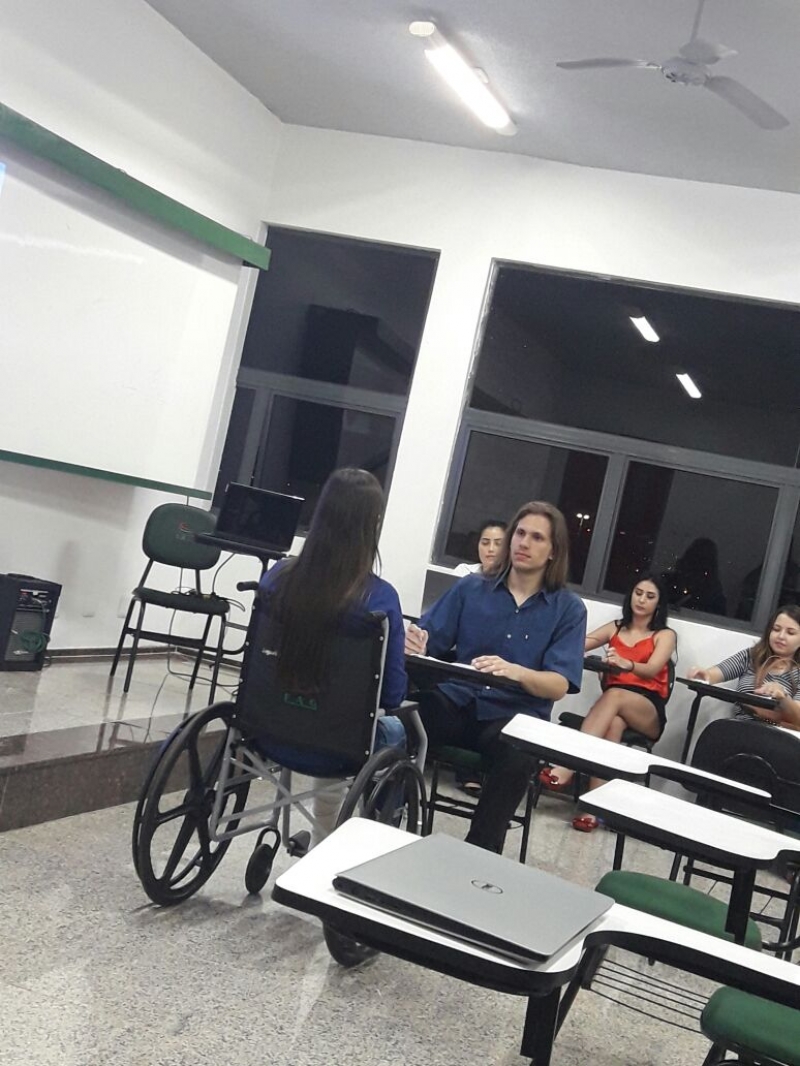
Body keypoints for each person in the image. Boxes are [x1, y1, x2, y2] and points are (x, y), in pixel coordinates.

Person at [405, 500, 587, 854]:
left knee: (519, 754)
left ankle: (477, 855)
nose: (524, 543)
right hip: (457, 701)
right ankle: (385, 822)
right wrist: (417, 642)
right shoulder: (471, 587)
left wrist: (518, 672)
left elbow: (559, 685)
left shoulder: (568, 609)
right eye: (520, 533)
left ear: (554, 551)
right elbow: (429, 640)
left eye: (537, 537)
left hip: (513, 715)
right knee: (406, 717)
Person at [257, 467, 407, 845]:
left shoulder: (275, 579)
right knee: (396, 730)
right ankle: (351, 841)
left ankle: (323, 836)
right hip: (335, 744)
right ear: (372, 524)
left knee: (327, 717)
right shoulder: (380, 600)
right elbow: (390, 694)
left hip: (265, 727)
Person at [541, 573, 677, 832]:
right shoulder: (615, 628)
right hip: (614, 705)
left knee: (614, 695)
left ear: (659, 603)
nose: (642, 600)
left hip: (648, 708)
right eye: (638, 593)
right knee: (613, 724)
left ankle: (570, 763)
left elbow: (652, 669)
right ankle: (592, 810)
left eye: (650, 596)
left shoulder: (664, 635)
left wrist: (627, 664)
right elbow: (577, 644)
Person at [452, 519, 507, 794]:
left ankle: (472, 771)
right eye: (485, 542)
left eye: (498, 544)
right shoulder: (466, 576)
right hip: (462, 657)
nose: (490, 549)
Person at [687, 605, 800, 730]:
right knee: (714, 730)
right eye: (776, 629)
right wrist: (703, 675)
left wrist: (783, 697)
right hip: (739, 728)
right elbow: (714, 674)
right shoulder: (751, 656)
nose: (781, 636)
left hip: (776, 734)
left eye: (790, 632)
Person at [662, 537, 727, 615]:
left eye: (703, 562)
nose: (697, 566)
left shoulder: (714, 597)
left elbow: (715, 620)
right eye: (694, 560)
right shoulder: (666, 583)